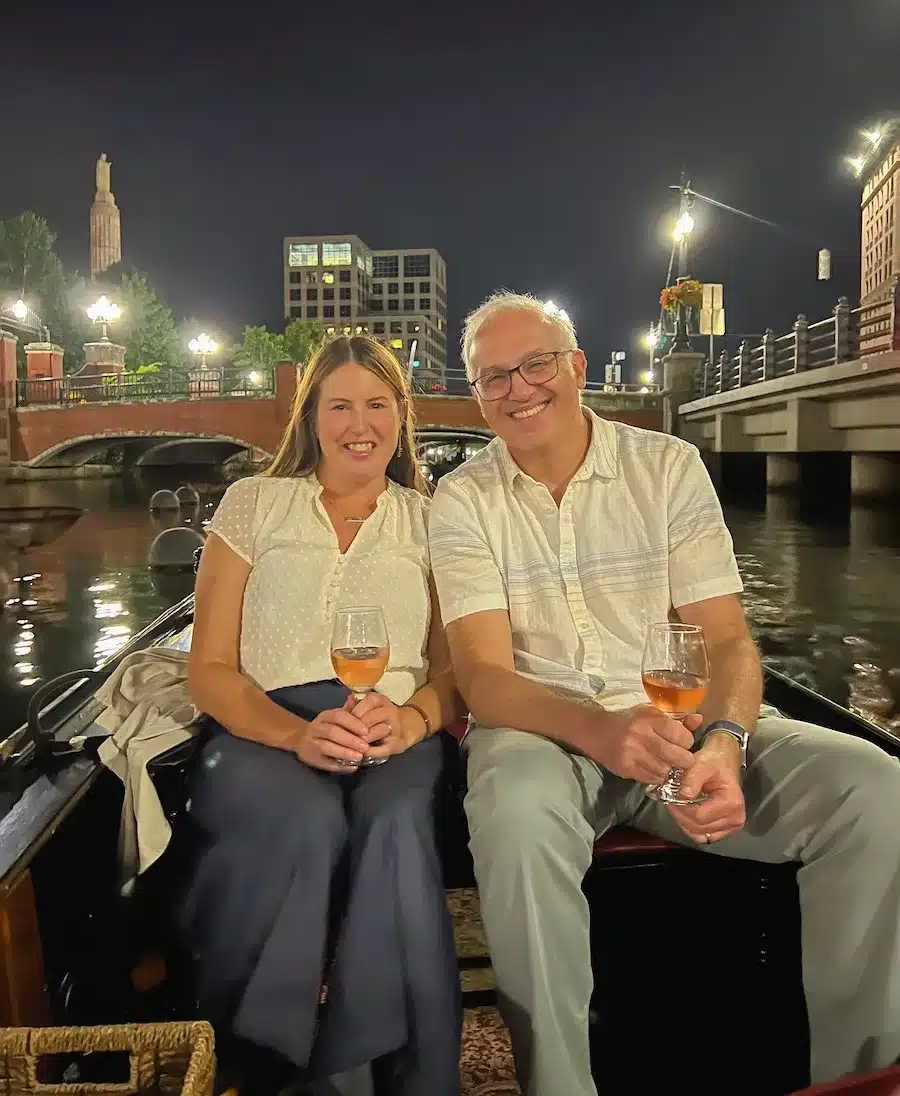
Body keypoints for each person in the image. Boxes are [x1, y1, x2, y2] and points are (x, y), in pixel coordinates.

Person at [428, 290, 900, 1096]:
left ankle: (859, 1079)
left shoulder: (667, 466)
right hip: (543, 731)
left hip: (684, 724)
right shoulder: (464, 498)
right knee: (512, 813)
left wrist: (724, 742)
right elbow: (483, 677)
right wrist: (603, 733)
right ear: (476, 395)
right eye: (492, 377)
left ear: (576, 369)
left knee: (876, 787)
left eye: (535, 364)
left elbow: (725, 644)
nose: (517, 389)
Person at [185, 335, 463, 1096]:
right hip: (261, 724)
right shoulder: (253, 504)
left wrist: (411, 721)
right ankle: (274, 1061)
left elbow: (451, 670)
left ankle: (401, 1070)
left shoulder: (432, 523)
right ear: (311, 415)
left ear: (401, 417)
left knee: (398, 822)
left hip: (394, 726)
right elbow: (208, 668)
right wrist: (294, 733)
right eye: (339, 404)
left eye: (377, 404)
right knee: (308, 823)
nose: (358, 423)